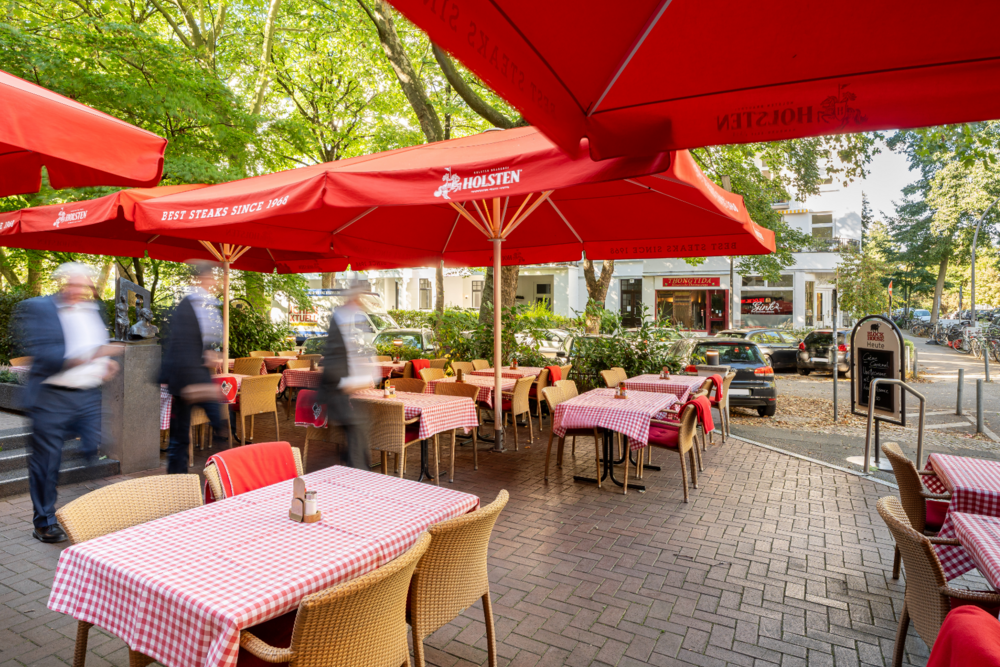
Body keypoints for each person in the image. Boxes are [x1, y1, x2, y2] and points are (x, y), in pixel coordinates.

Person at [17, 263, 123, 543]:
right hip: (51, 396)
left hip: (87, 395)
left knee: (93, 445)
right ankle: (44, 522)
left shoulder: (93, 310)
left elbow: (97, 347)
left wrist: (105, 363)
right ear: (63, 283)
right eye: (73, 284)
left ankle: (84, 471)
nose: (78, 290)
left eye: (84, 284)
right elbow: (48, 357)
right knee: (46, 461)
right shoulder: (40, 309)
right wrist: (95, 353)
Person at [159, 261, 228, 473]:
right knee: (189, 433)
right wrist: (193, 383)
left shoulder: (203, 304)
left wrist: (208, 353)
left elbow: (197, 342)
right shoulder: (192, 304)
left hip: (189, 376)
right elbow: (181, 345)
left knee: (187, 434)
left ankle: (183, 478)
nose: (214, 282)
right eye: (211, 278)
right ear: (201, 279)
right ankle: (181, 481)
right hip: (187, 378)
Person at [319, 283, 374, 470]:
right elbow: (342, 354)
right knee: (357, 425)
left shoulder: (346, 317)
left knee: (357, 427)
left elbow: (353, 353)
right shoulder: (343, 317)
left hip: (338, 387)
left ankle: (352, 465)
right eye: (358, 298)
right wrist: (351, 381)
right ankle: (357, 470)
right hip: (335, 387)